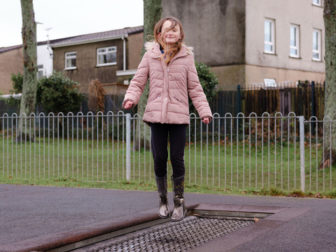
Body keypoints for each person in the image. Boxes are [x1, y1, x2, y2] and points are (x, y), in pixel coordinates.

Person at [122, 16, 212, 221]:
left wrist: (204, 111)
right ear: (159, 34)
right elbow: (138, 82)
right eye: (167, 30)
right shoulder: (150, 56)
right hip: (156, 116)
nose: (171, 33)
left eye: (175, 30)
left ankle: (179, 201)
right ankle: (163, 199)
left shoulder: (187, 57)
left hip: (178, 116)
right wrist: (130, 98)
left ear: (180, 34)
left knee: (177, 158)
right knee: (159, 158)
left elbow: (195, 88)